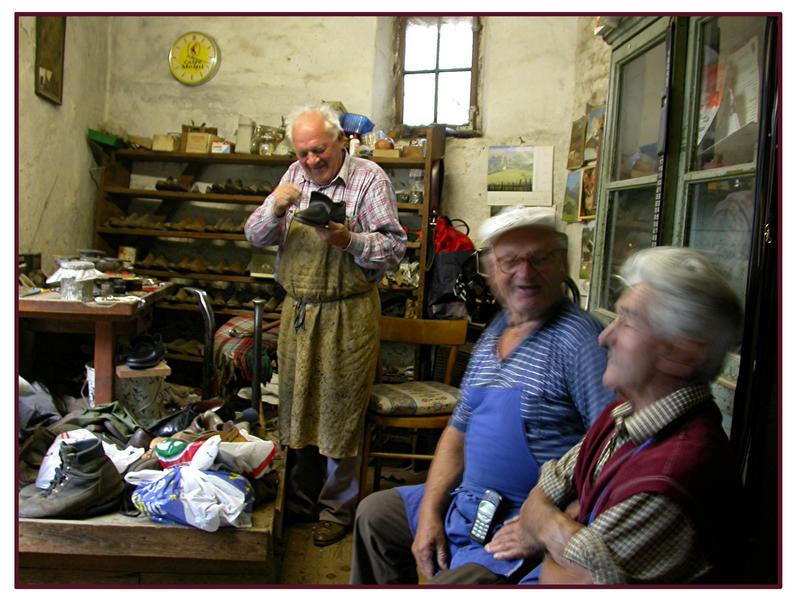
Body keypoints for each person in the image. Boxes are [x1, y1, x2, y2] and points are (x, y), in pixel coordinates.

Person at [351, 206, 615, 584]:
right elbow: (457, 434)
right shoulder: (497, 329)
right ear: (490, 271)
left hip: (515, 524)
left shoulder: (580, 341)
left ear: (562, 263)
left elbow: (612, 455)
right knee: (375, 514)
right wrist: (429, 512)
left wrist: (548, 526)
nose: (524, 274)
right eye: (510, 262)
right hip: (468, 502)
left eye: (540, 259)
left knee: (456, 583)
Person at [486, 246, 744, 584]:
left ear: (683, 352)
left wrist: (544, 529)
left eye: (629, 322)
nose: (605, 336)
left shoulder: (672, 477)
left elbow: (561, 581)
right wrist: (565, 528)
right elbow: (541, 493)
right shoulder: (621, 414)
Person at [244, 104, 406, 546]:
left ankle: (337, 510)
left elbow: (395, 249)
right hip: (298, 310)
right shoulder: (291, 177)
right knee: (298, 407)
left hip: (347, 313)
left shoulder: (369, 179)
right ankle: (299, 499)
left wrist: (346, 239)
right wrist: (274, 208)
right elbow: (254, 236)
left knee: (339, 411)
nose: (312, 161)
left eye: (319, 150)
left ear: (339, 142)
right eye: (303, 153)